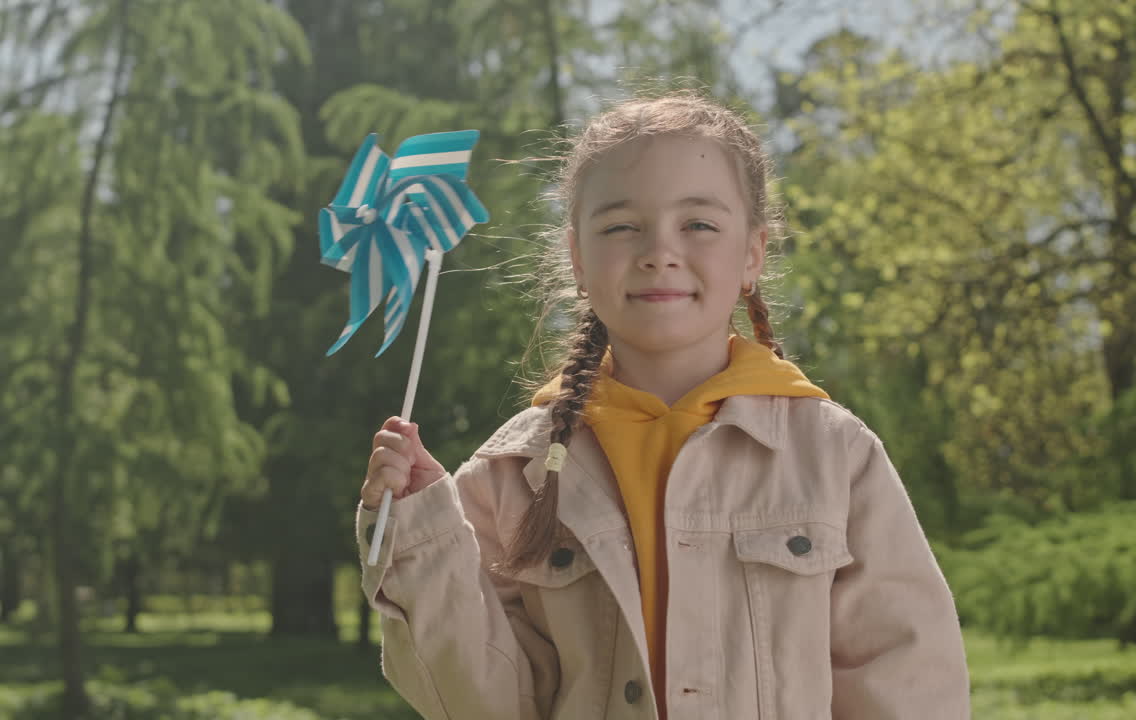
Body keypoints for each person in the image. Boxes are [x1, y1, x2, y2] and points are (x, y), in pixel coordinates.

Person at [356, 91, 970, 719]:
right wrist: (421, 539)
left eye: (698, 224)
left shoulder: (836, 457)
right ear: (577, 258)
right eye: (621, 226)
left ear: (753, 253)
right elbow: (483, 704)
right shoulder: (510, 476)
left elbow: (909, 683)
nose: (658, 251)